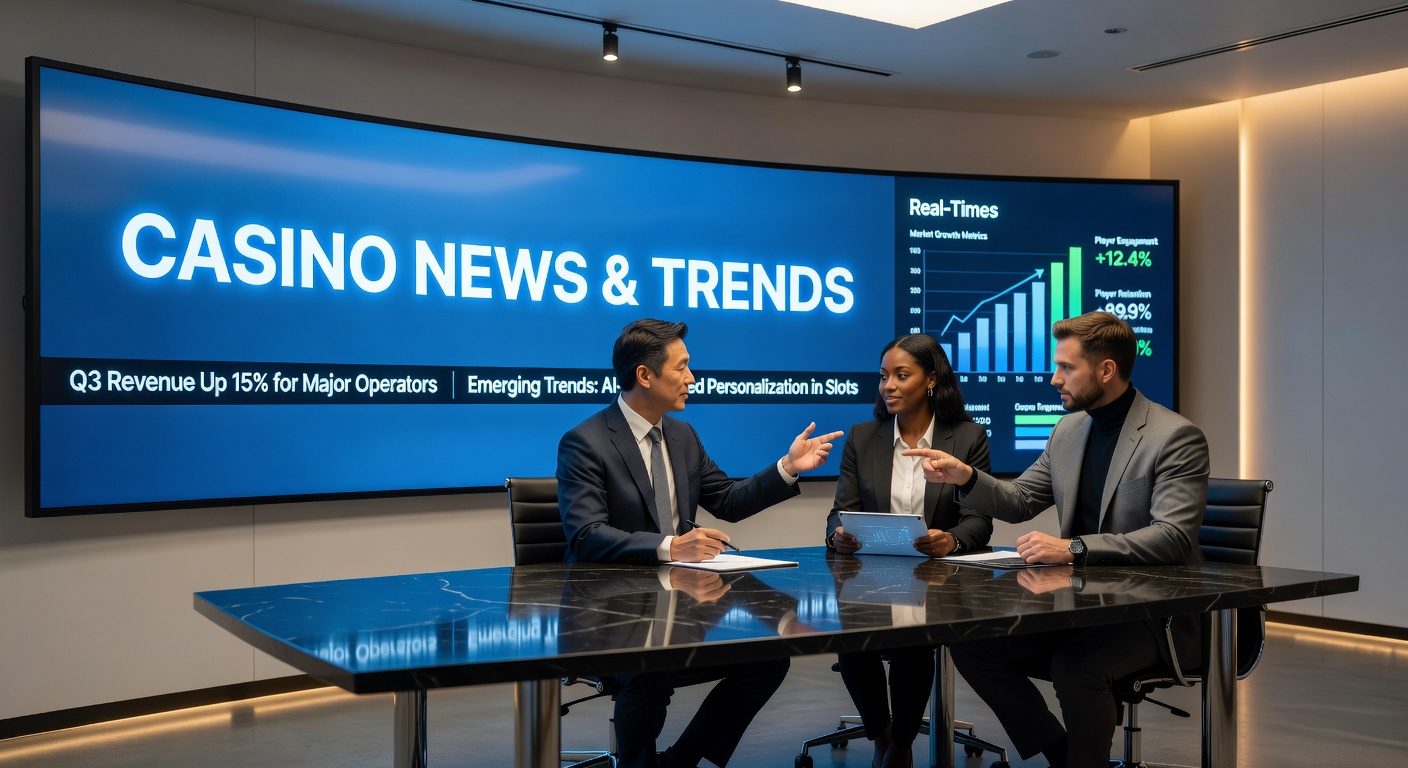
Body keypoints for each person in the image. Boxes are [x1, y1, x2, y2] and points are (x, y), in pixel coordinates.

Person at [902, 311, 1210, 768]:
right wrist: (966, 476)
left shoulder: (1174, 437)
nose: (1053, 378)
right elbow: (1021, 498)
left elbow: (1172, 538)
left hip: (1157, 614)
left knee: (1076, 667)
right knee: (972, 643)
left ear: (1106, 370)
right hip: (1087, 607)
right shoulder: (1069, 429)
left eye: (1067, 367)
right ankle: (1062, 755)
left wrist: (1075, 548)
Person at [557, 318, 843, 768]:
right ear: (645, 375)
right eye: (683, 367)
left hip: (680, 606)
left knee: (767, 659)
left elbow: (727, 499)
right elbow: (587, 535)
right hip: (609, 613)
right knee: (650, 668)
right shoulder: (585, 442)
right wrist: (673, 546)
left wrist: (786, 468)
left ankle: (682, 760)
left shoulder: (682, 435)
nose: (692, 378)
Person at [824, 333, 992, 768]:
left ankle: (901, 745)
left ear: (931, 380)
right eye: (884, 377)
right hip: (870, 578)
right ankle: (884, 735)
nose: (889, 386)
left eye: (902, 375)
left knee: (914, 644)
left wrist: (950, 539)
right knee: (851, 644)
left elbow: (979, 519)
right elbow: (839, 514)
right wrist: (838, 536)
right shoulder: (863, 438)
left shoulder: (968, 437)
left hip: (938, 580)